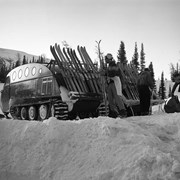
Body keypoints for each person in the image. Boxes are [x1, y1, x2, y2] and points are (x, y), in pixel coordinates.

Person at [105, 54, 127, 118]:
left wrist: (105, 73)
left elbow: (113, 73)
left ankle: (122, 111)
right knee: (110, 98)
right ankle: (113, 112)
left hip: (115, 82)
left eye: (106, 59)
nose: (105, 60)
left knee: (117, 97)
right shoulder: (109, 66)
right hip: (110, 83)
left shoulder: (114, 65)